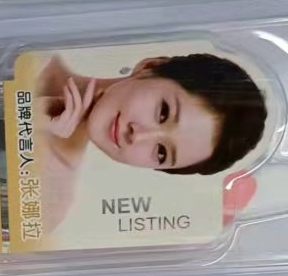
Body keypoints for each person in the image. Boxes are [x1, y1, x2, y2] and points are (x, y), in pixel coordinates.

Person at [34, 51, 268, 231]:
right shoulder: (33, 52)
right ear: (150, 67)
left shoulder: (50, 203)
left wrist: (29, 119)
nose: (138, 136)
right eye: (163, 112)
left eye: (161, 152)